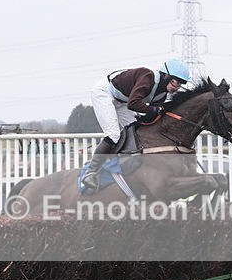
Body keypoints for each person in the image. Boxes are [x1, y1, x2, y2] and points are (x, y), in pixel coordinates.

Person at [81, 59, 191, 191]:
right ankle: (91, 172)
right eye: (175, 82)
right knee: (114, 135)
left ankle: (115, 166)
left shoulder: (161, 95)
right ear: (166, 76)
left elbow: (151, 115)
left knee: (134, 132)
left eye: (180, 84)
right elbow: (133, 103)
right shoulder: (148, 77)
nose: (177, 87)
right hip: (104, 93)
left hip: (123, 102)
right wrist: (155, 110)